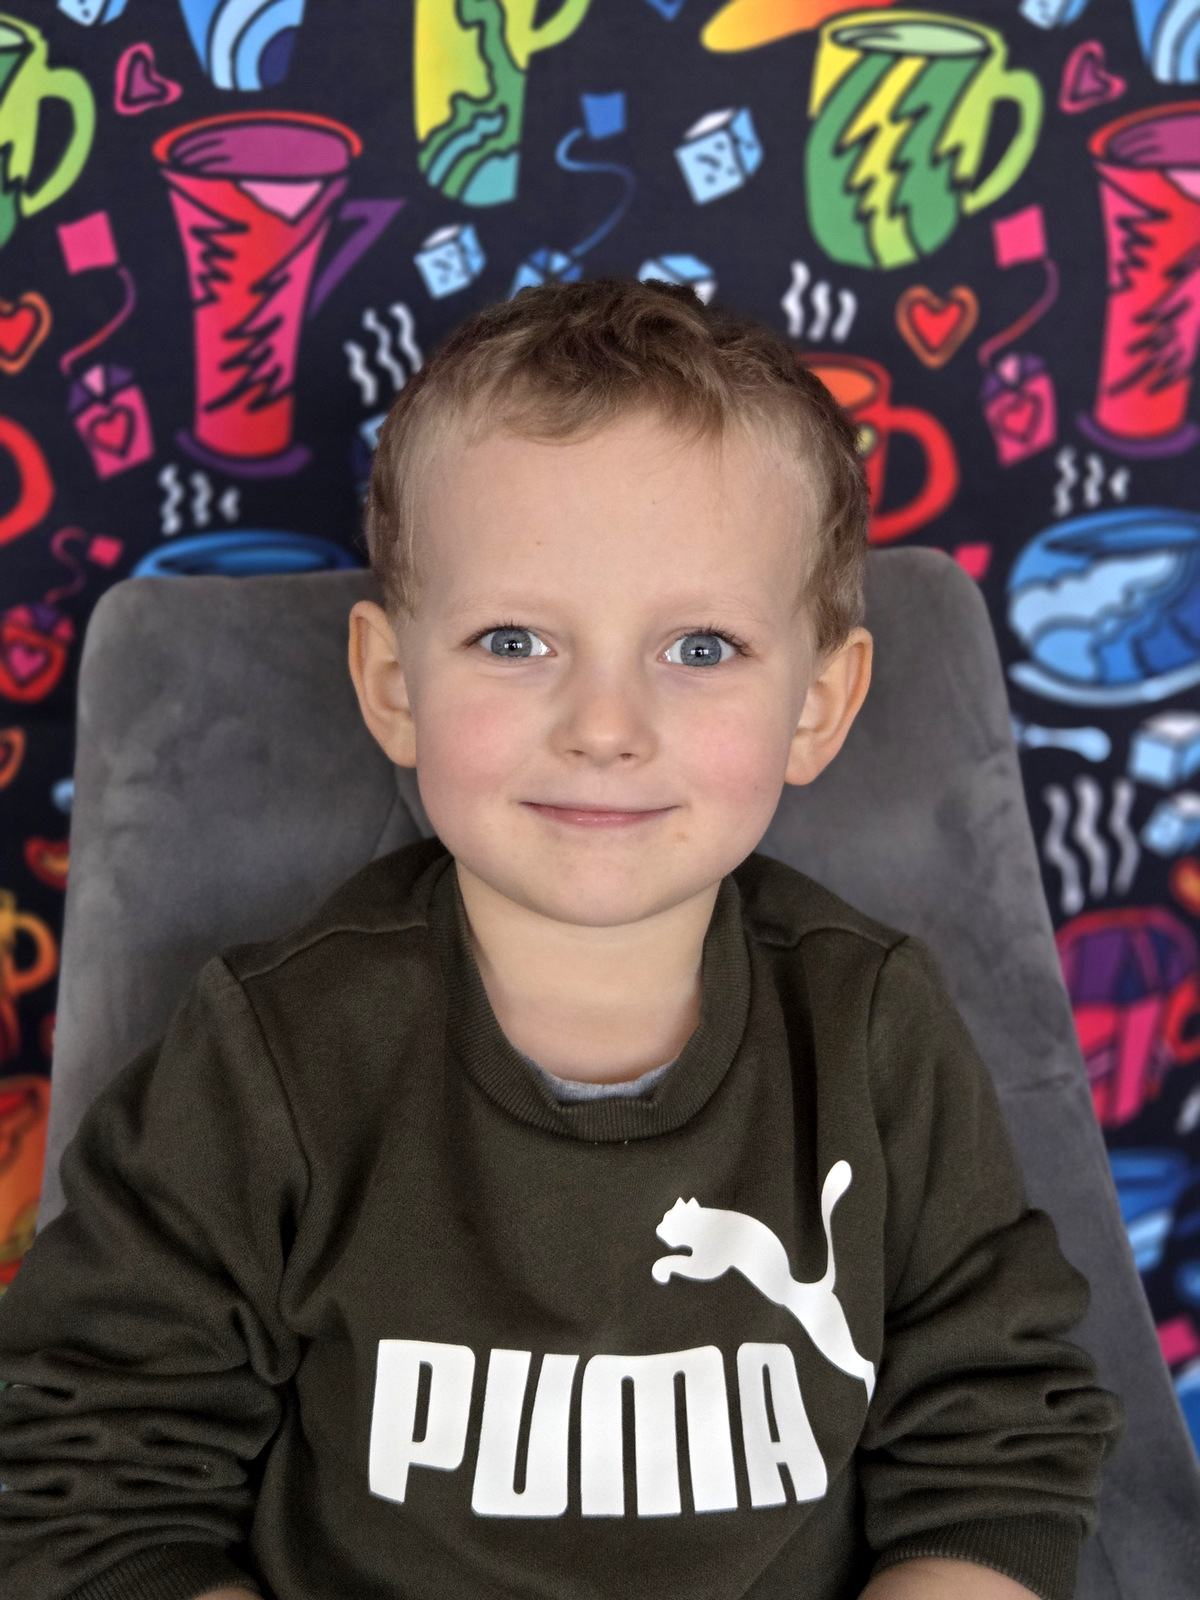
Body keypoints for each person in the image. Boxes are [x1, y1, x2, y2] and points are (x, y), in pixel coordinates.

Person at [0, 277, 1122, 1600]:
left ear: (819, 705)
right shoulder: (272, 1052)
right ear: (394, 684)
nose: (604, 726)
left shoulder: (871, 1029)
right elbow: (94, 1465)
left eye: (699, 647)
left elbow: (996, 1446)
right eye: (516, 639)